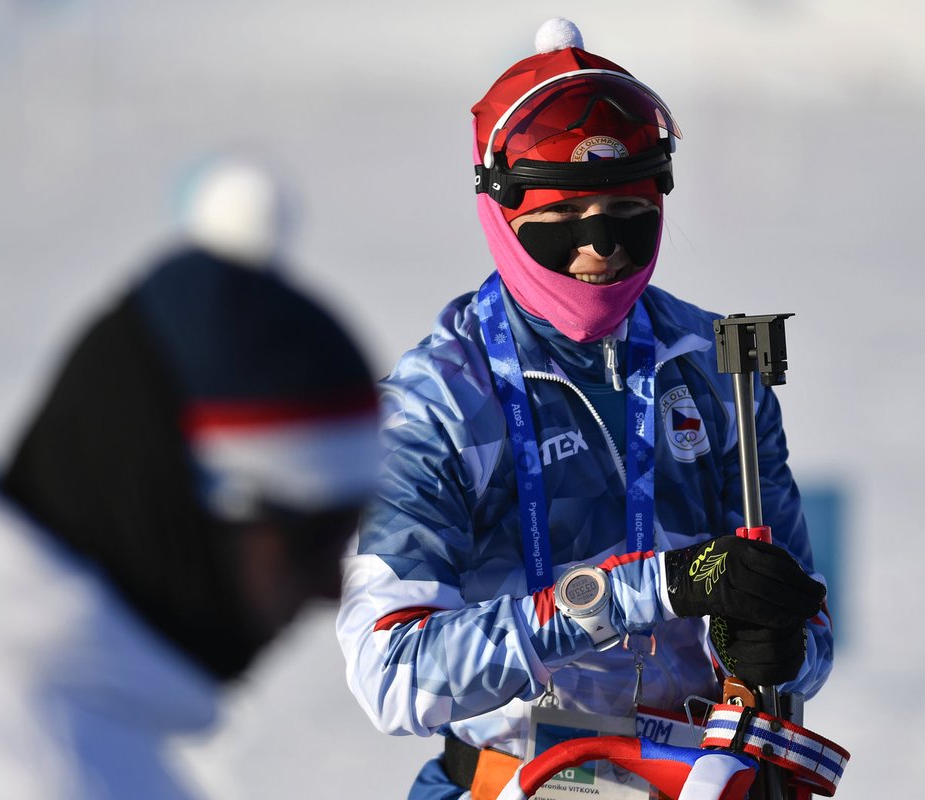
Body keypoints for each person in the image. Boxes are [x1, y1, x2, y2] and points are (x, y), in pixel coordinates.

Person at [0, 159, 382, 800]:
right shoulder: (11, 770)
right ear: (166, 499)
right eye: (308, 535)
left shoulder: (7, 729)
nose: (330, 587)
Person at [336, 19, 833, 800]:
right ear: (501, 215)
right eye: (565, 228)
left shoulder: (711, 364)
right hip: (508, 782)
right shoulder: (438, 403)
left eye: (627, 223)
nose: (599, 251)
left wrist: (779, 648)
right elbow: (392, 675)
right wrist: (656, 587)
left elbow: (807, 614)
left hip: (697, 779)